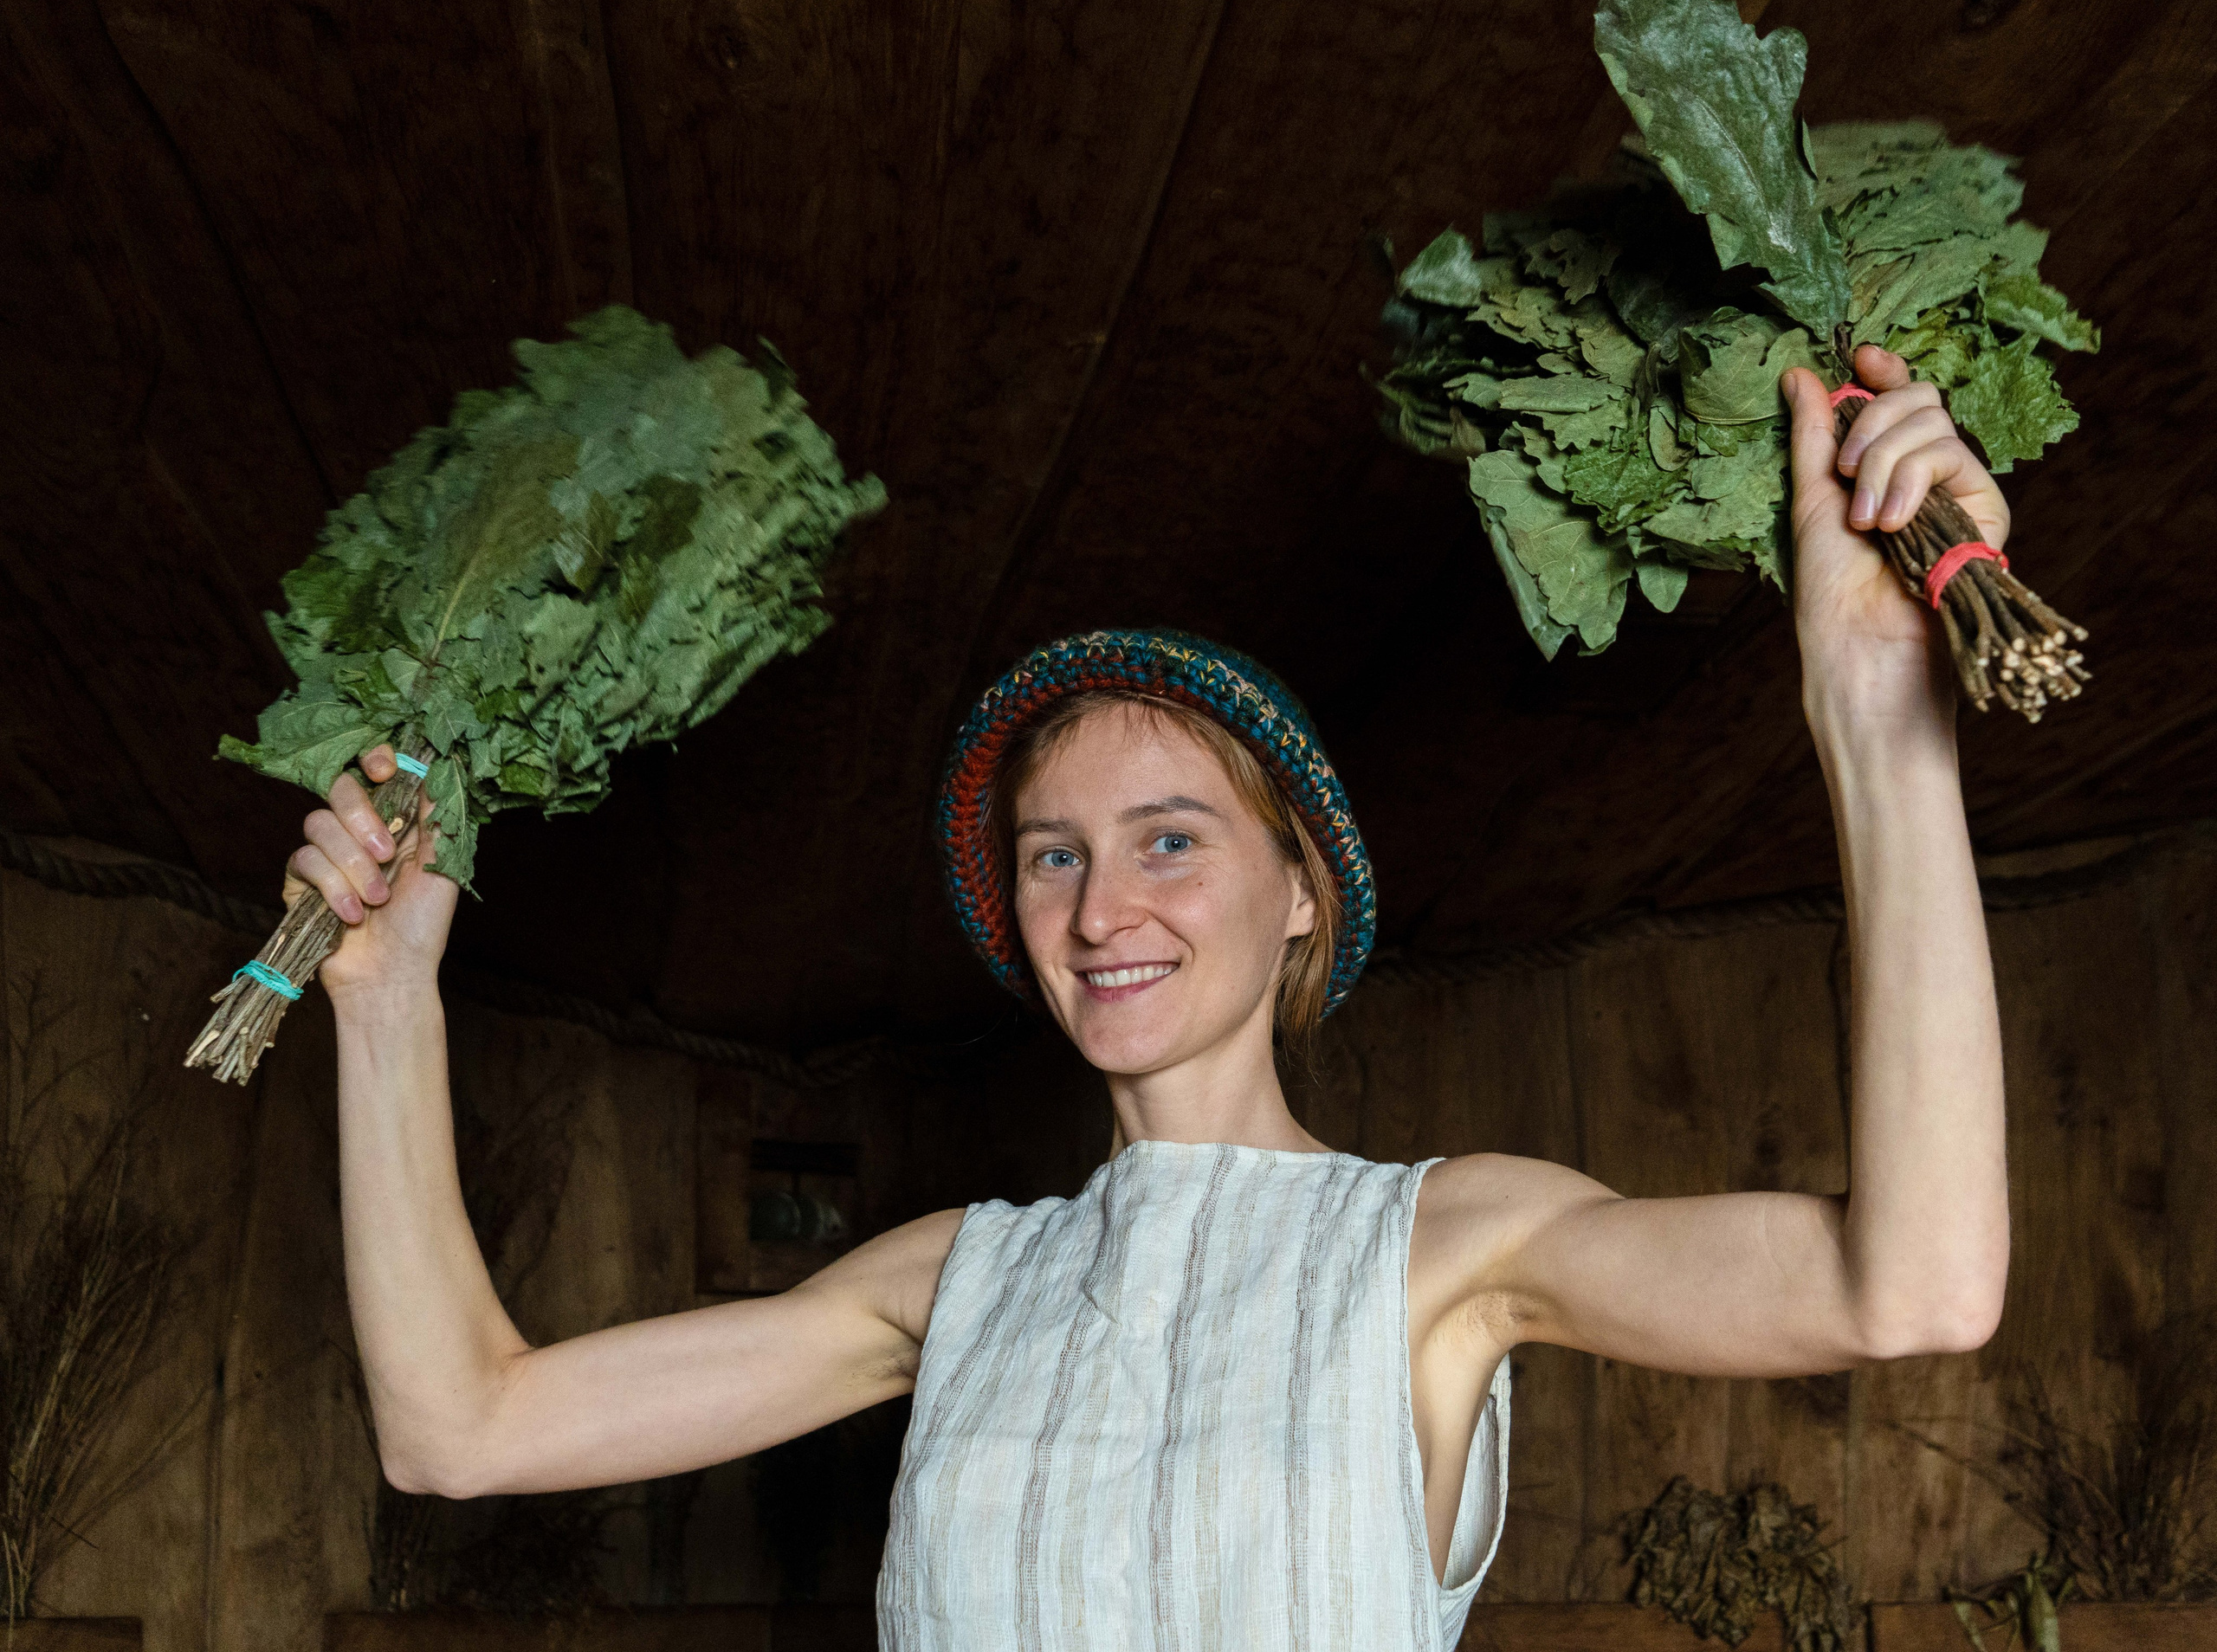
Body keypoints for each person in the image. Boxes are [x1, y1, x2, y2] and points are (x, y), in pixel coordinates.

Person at [286, 347, 2008, 1649]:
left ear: (1298, 898)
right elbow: (460, 1427)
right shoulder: (953, 1280)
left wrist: (1873, 709)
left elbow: (1910, 1283)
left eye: (1167, 839)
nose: (1099, 905)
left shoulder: (1443, 1251)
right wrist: (387, 997)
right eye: (1049, 856)